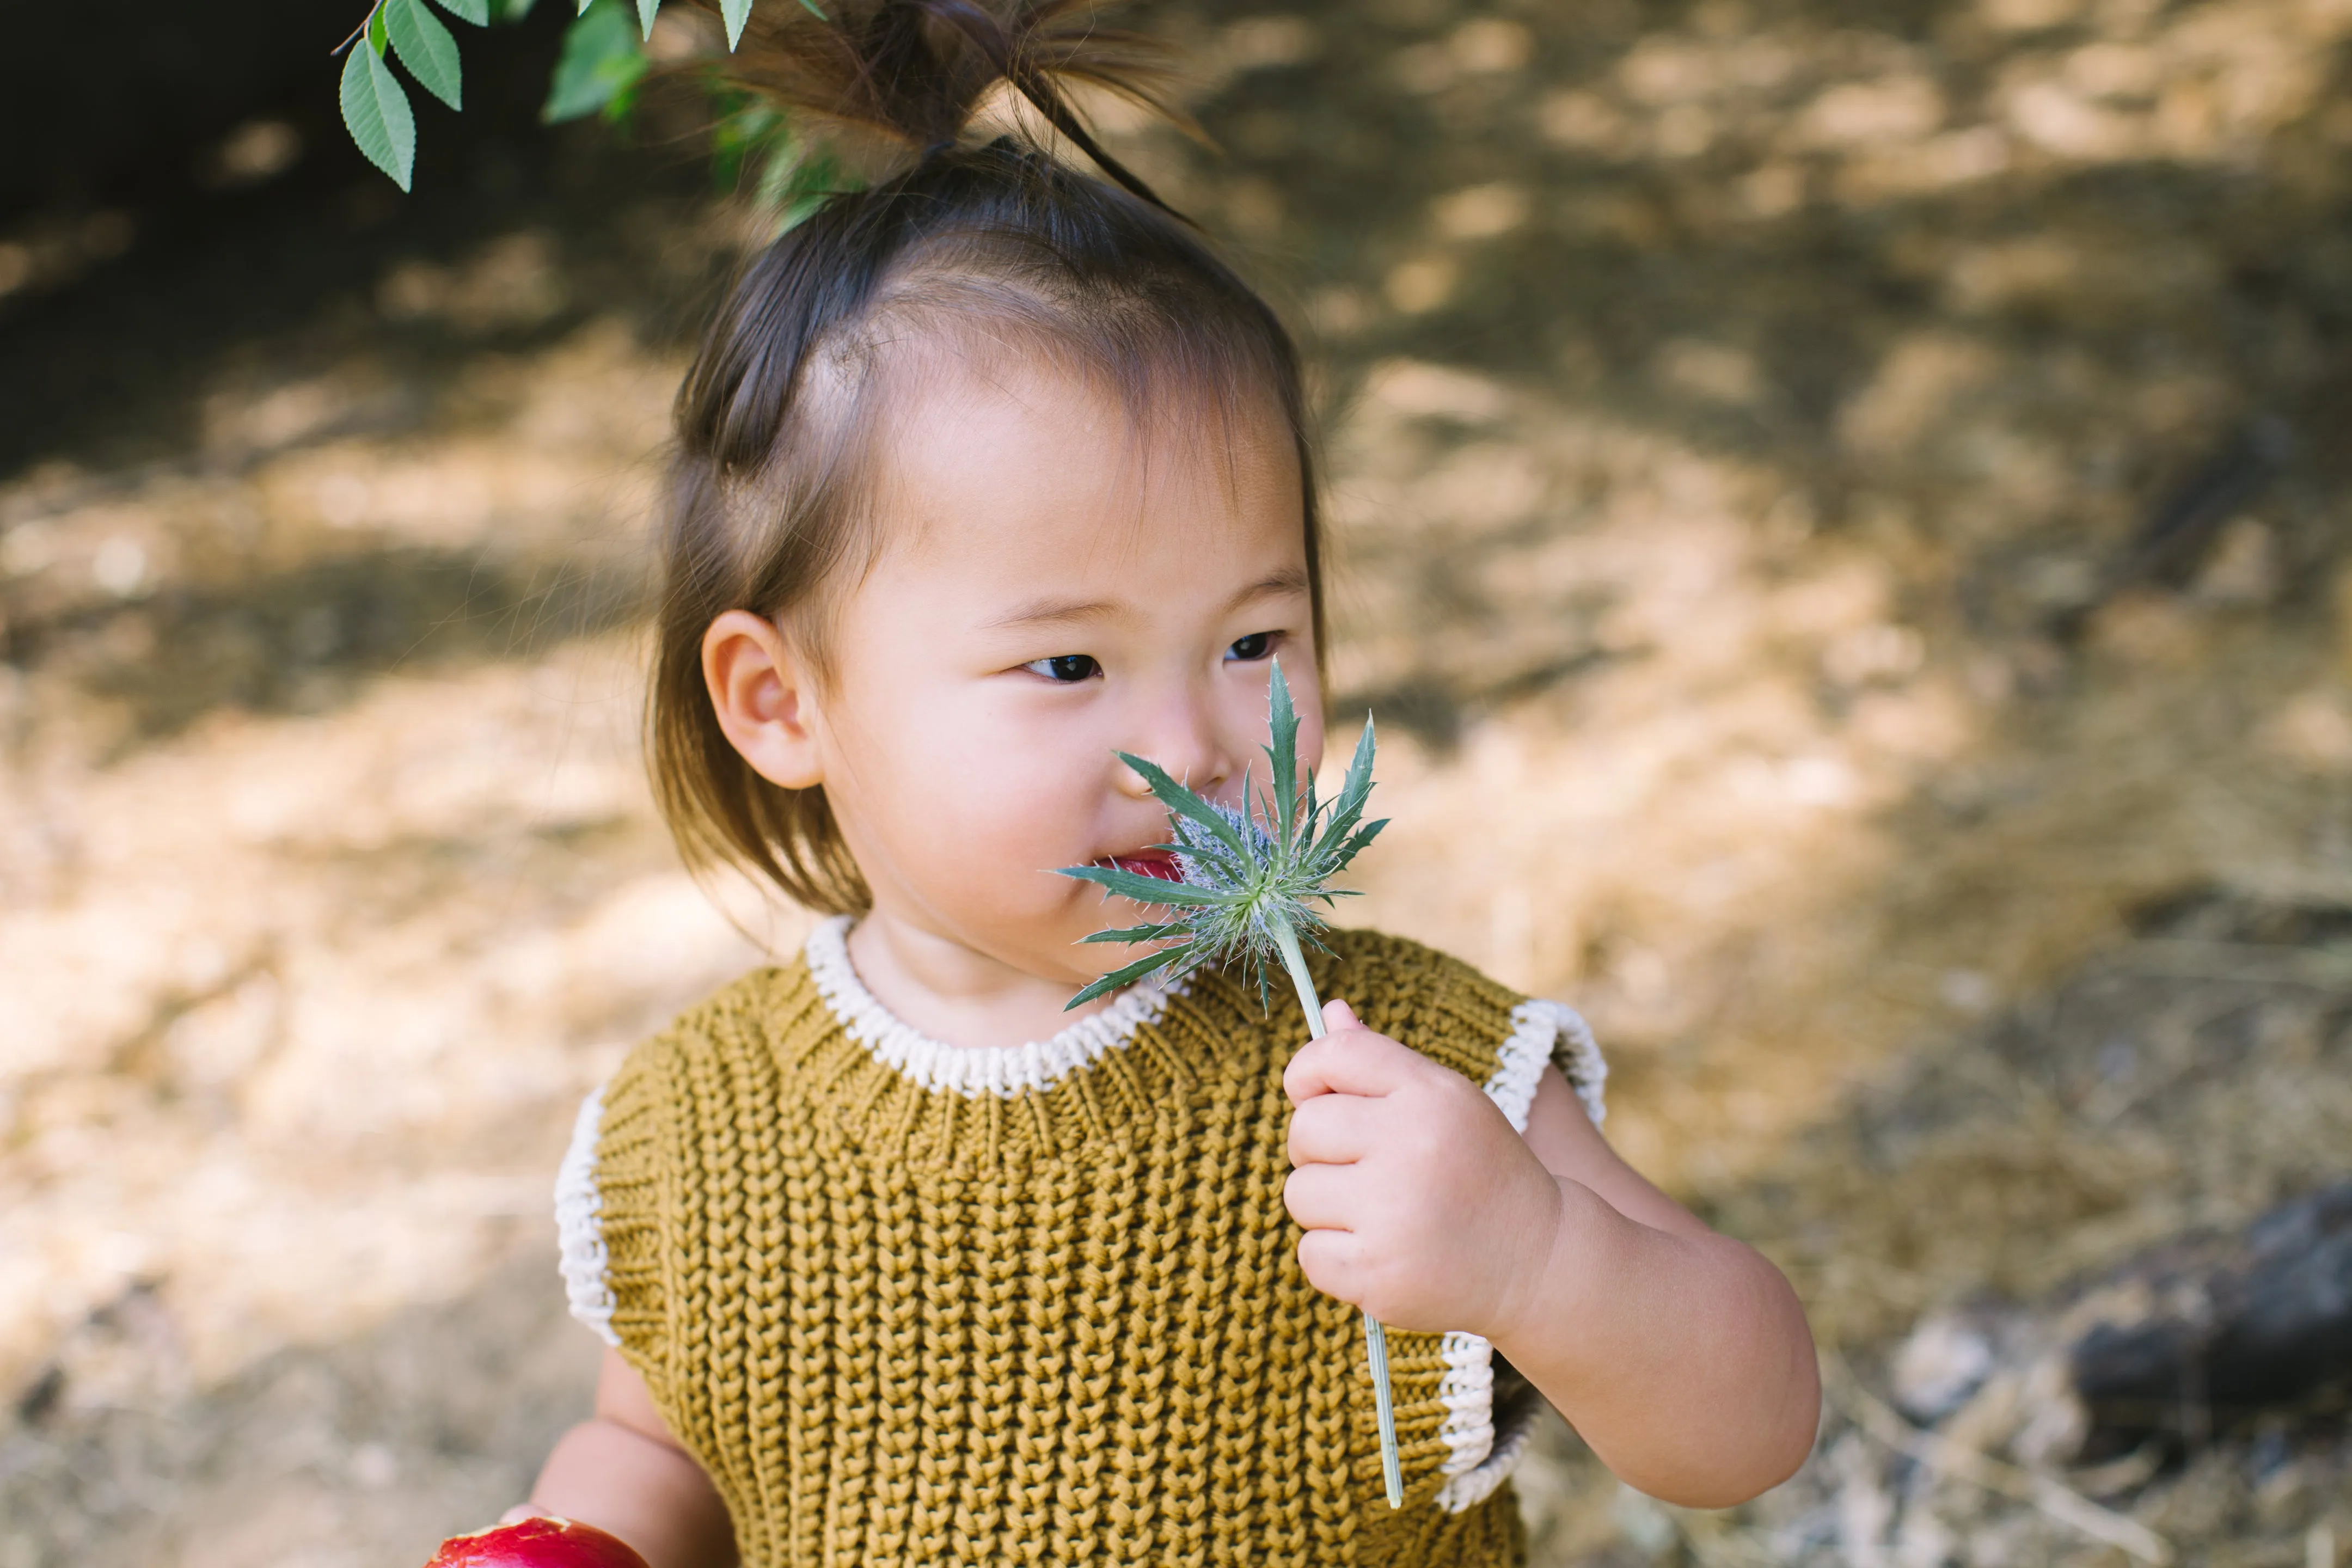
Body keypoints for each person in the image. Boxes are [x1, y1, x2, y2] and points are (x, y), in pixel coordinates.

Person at [509, 2, 1820, 1563]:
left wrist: (1536, 1261)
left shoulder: (1396, 1072)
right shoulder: (697, 1127)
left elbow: (1753, 1423)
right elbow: (660, 1451)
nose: (1196, 747)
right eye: (1069, 667)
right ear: (781, 701)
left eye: (1255, 637)